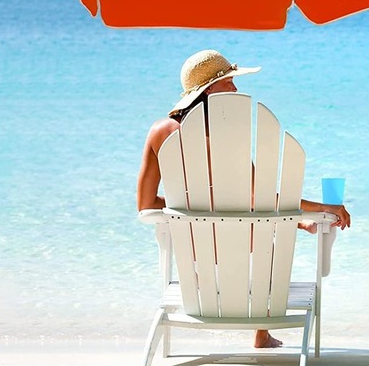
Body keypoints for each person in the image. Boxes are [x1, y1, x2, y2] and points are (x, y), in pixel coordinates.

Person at [137, 49, 351, 349]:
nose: (236, 89)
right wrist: (324, 208)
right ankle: (261, 333)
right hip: (236, 242)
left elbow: (145, 205)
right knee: (265, 233)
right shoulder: (228, 137)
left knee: (251, 220)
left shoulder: (160, 131)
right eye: (229, 82)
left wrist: (183, 211)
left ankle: (294, 227)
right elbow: (258, 197)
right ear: (211, 89)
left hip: (194, 249)